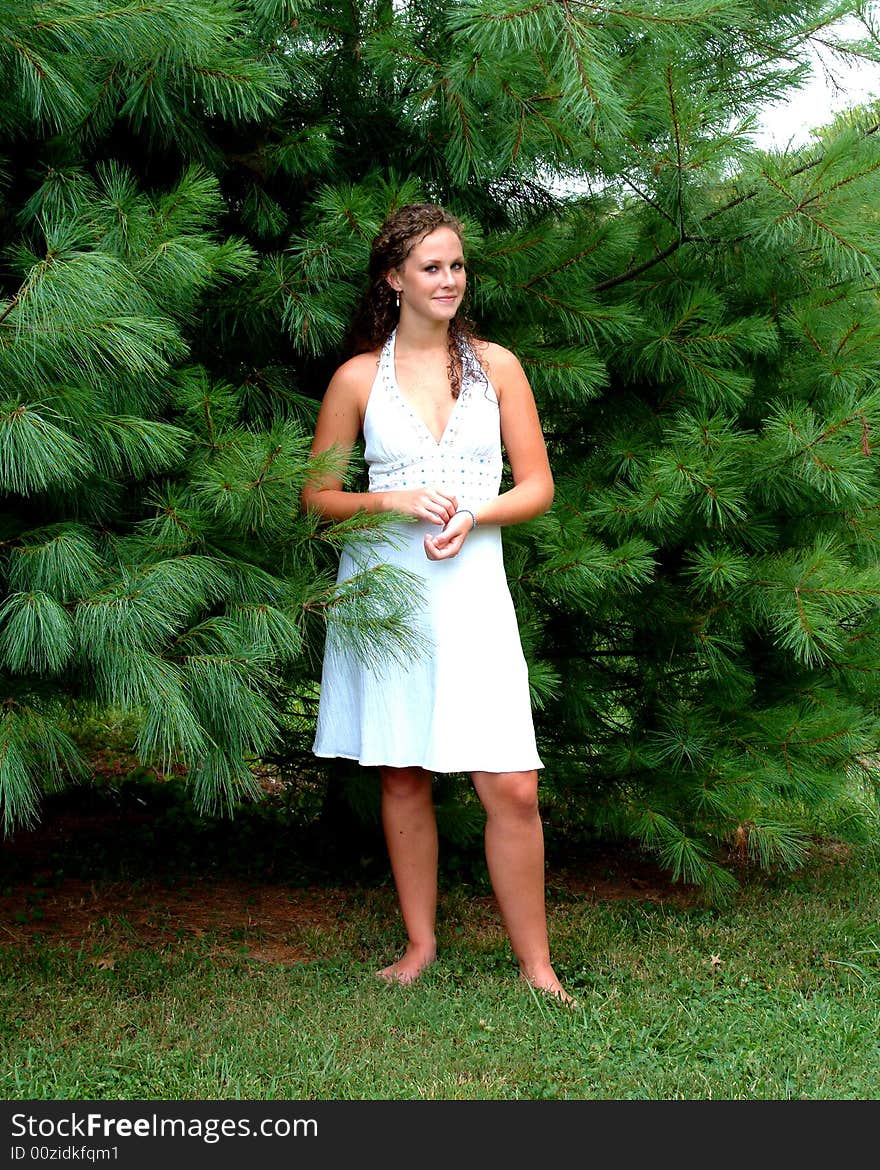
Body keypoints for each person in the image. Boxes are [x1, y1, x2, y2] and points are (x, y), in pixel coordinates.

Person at [302, 203, 571, 1003]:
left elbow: (539, 487)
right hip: (387, 594)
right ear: (394, 279)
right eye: (431, 267)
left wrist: (472, 512)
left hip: (473, 592)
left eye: (456, 265)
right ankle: (419, 944)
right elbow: (316, 496)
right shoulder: (356, 378)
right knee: (402, 771)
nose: (449, 280)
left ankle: (539, 967)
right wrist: (388, 502)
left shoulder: (500, 367)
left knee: (513, 784)